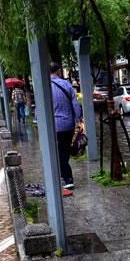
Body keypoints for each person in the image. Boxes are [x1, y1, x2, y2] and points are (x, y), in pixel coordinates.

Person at [50, 62, 82, 190]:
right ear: (58, 71)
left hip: (53, 126)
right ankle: (64, 173)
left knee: (59, 152)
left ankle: (68, 178)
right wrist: (78, 119)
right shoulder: (67, 84)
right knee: (65, 150)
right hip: (68, 124)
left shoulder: (44, 86)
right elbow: (75, 105)